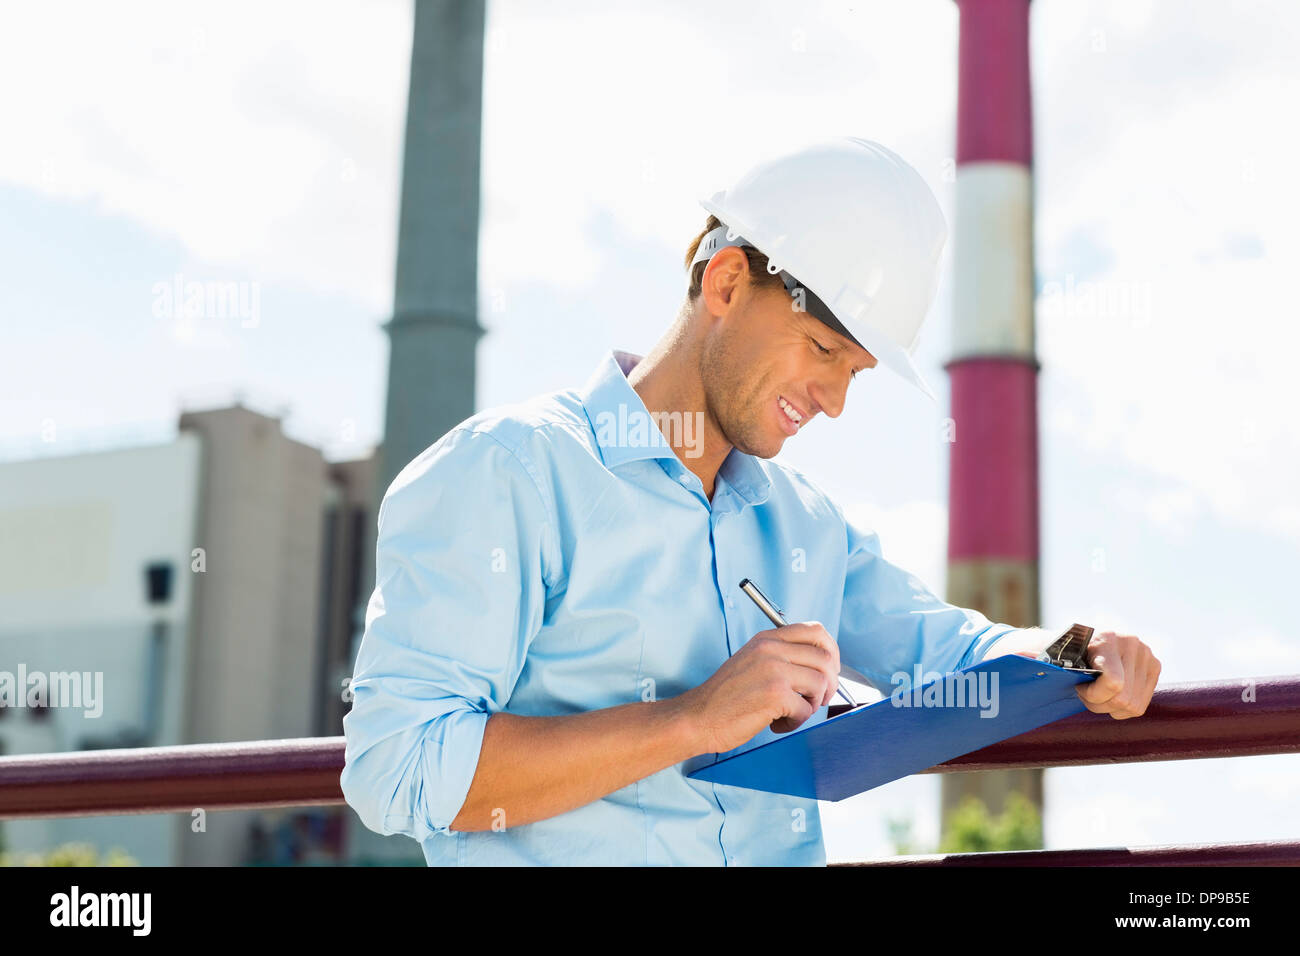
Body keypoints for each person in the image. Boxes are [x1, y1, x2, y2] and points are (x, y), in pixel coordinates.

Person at [340, 137, 1161, 866]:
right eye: (822, 349)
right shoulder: (509, 474)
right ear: (727, 283)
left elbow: (948, 654)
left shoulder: (805, 524)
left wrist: (1078, 653)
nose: (834, 401)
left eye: (855, 373)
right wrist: (693, 720)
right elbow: (397, 768)